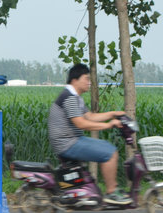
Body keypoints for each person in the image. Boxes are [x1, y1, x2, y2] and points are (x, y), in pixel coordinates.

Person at [47, 63, 130, 203]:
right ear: (75, 80)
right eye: (86, 79)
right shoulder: (69, 98)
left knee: (107, 147)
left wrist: (113, 114)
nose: (89, 83)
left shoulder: (75, 97)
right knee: (110, 153)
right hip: (67, 143)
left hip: (72, 140)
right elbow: (81, 123)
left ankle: (106, 190)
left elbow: (90, 116)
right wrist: (109, 125)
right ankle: (111, 192)